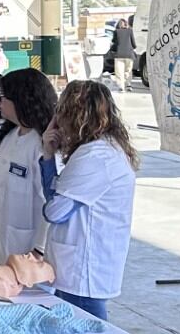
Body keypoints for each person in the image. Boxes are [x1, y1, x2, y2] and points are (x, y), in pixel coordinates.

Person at [40, 81, 139, 321]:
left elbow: (54, 211)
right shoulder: (98, 150)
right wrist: (48, 156)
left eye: (61, 113)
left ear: (73, 117)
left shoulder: (96, 157)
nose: (57, 122)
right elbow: (57, 198)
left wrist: (47, 157)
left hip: (84, 268)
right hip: (76, 264)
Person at [0, 67, 55, 264]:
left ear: (21, 99)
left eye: (2, 97)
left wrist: (39, 249)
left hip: (30, 252)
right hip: (3, 245)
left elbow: (50, 202)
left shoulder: (42, 144)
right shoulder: (9, 137)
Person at [110, 17, 138, 87]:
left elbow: (114, 42)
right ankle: (128, 84)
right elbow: (133, 43)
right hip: (129, 54)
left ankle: (121, 87)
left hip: (119, 55)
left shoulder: (116, 31)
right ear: (126, 24)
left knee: (119, 72)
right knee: (128, 71)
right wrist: (133, 47)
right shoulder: (130, 31)